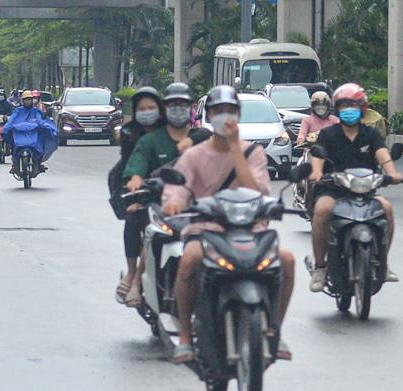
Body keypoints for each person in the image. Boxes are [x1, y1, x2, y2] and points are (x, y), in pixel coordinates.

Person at [162, 85, 295, 360]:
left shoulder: (252, 153)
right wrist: (174, 203)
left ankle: (274, 330)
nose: (225, 117)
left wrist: (235, 149)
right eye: (219, 112)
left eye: (230, 111)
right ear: (209, 116)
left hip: (251, 229)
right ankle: (186, 337)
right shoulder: (194, 155)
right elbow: (178, 189)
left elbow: (258, 193)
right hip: (205, 229)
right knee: (189, 260)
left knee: (287, 259)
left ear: (238, 114)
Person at [305, 82, 403, 290]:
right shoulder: (328, 134)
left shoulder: (371, 135)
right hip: (333, 190)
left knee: (386, 208)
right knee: (322, 210)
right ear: (337, 109)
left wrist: (392, 173)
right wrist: (316, 173)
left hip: (365, 190)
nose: (348, 109)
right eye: (343, 105)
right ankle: (320, 268)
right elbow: (317, 155)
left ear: (363, 108)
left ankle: (383, 264)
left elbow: (383, 155)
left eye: (353, 104)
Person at [115, 86, 201, 306]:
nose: (178, 110)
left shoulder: (201, 138)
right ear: (166, 109)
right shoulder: (149, 140)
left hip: (198, 205)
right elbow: (136, 168)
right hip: (158, 203)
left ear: (192, 108)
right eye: (173, 105)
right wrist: (135, 182)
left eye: (183, 105)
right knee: (144, 225)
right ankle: (135, 279)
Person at [5, 91, 60, 172]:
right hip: (20, 136)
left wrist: (46, 126)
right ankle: (15, 163)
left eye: (29, 99)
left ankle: (39, 162)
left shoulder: (36, 111)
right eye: (26, 99)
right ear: (22, 100)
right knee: (12, 144)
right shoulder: (18, 111)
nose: (28, 101)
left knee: (41, 143)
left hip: (33, 135)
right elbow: (12, 120)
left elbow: (41, 121)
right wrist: (7, 127)